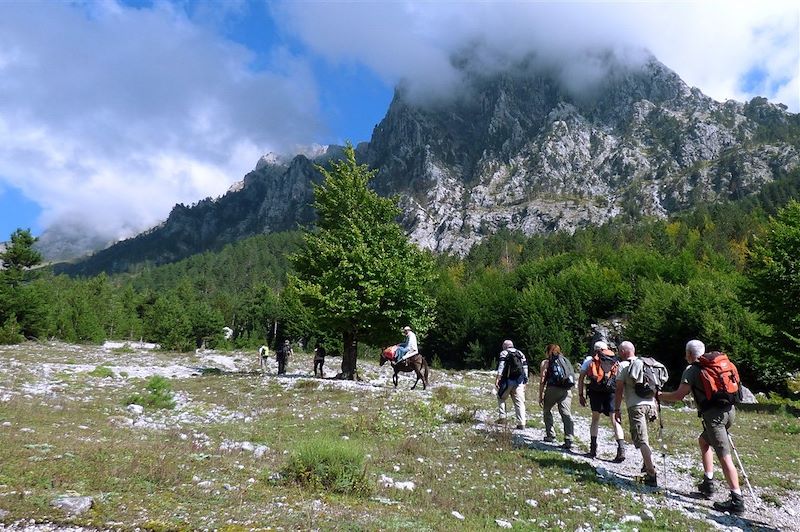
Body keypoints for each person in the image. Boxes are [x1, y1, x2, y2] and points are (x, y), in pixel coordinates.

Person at [658, 340, 745, 515]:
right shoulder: (721, 364)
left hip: (714, 418)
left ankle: (737, 501)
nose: (685, 356)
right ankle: (708, 483)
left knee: (724, 456)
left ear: (689, 354)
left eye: (686, 353)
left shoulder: (692, 370)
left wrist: (659, 395)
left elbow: (679, 396)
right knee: (704, 441)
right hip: (730, 412)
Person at [614, 341, 658, 487]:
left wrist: (616, 409)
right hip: (651, 404)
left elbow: (619, 389)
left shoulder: (623, 366)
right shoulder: (646, 364)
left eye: (620, 351)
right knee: (645, 438)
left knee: (641, 440)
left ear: (623, 352)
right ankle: (647, 463)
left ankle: (651, 475)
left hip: (635, 406)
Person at [578, 341, 627, 461]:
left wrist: (581, 395)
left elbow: (581, 378)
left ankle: (593, 449)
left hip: (596, 392)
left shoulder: (590, 361)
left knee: (595, 419)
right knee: (615, 420)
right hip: (611, 392)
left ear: (595, 349)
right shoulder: (615, 361)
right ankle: (621, 449)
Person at [538, 344, 575, 449]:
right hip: (567, 390)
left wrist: (540, 395)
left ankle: (551, 435)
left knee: (547, 410)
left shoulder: (546, 362)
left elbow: (542, 380)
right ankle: (569, 438)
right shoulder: (565, 361)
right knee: (566, 413)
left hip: (552, 389)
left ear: (548, 352)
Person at [495, 340, 528, 430]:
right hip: (519, 381)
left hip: (507, 380)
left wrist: (498, 378)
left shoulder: (504, 353)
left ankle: (502, 418)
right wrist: (525, 380)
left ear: (505, 346)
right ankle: (521, 423)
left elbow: (501, 365)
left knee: (501, 397)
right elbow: (525, 367)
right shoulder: (520, 353)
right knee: (519, 402)